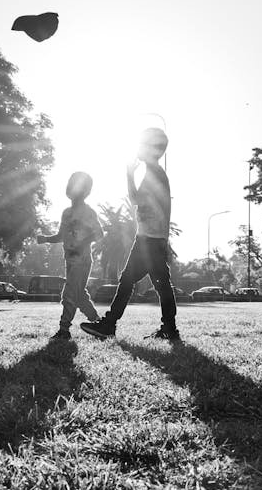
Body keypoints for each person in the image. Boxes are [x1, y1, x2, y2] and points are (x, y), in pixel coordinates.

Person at [81, 127, 179, 342]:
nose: (139, 148)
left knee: (135, 282)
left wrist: (128, 174)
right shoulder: (155, 174)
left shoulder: (154, 174)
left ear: (153, 149)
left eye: (143, 144)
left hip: (149, 239)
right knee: (156, 284)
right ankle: (169, 329)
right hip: (153, 238)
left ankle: (109, 324)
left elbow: (135, 199)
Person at [37, 171, 103, 340]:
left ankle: (64, 329)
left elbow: (98, 234)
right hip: (70, 260)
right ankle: (98, 322)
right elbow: (61, 236)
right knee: (79, 295)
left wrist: (82, 244)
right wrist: (46, 238)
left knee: (69, 294)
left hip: (82, 260)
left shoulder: (88, 212)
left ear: (86, 191)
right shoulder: (66, 213)